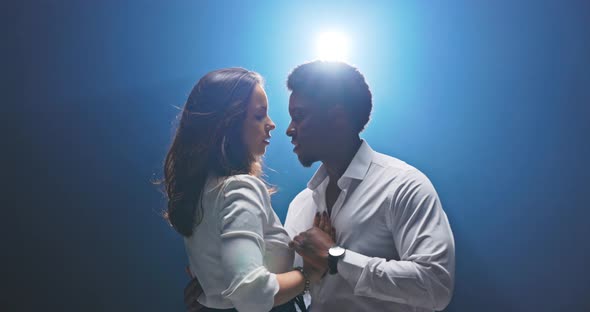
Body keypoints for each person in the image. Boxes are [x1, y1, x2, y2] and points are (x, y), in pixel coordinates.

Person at [284, 60, 455, 311]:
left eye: (299, 116)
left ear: (338, 119)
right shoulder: (300, 205)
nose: (289, 130)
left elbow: (435, 286)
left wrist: (337, 258)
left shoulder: (403, 186)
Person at [166, 68, 328, 312]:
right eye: (259, 115)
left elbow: (220, 288)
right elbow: (249, 292)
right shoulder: (240, 188)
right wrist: (311, 273)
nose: (272, 124)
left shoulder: (204, 192)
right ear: (228, 123)